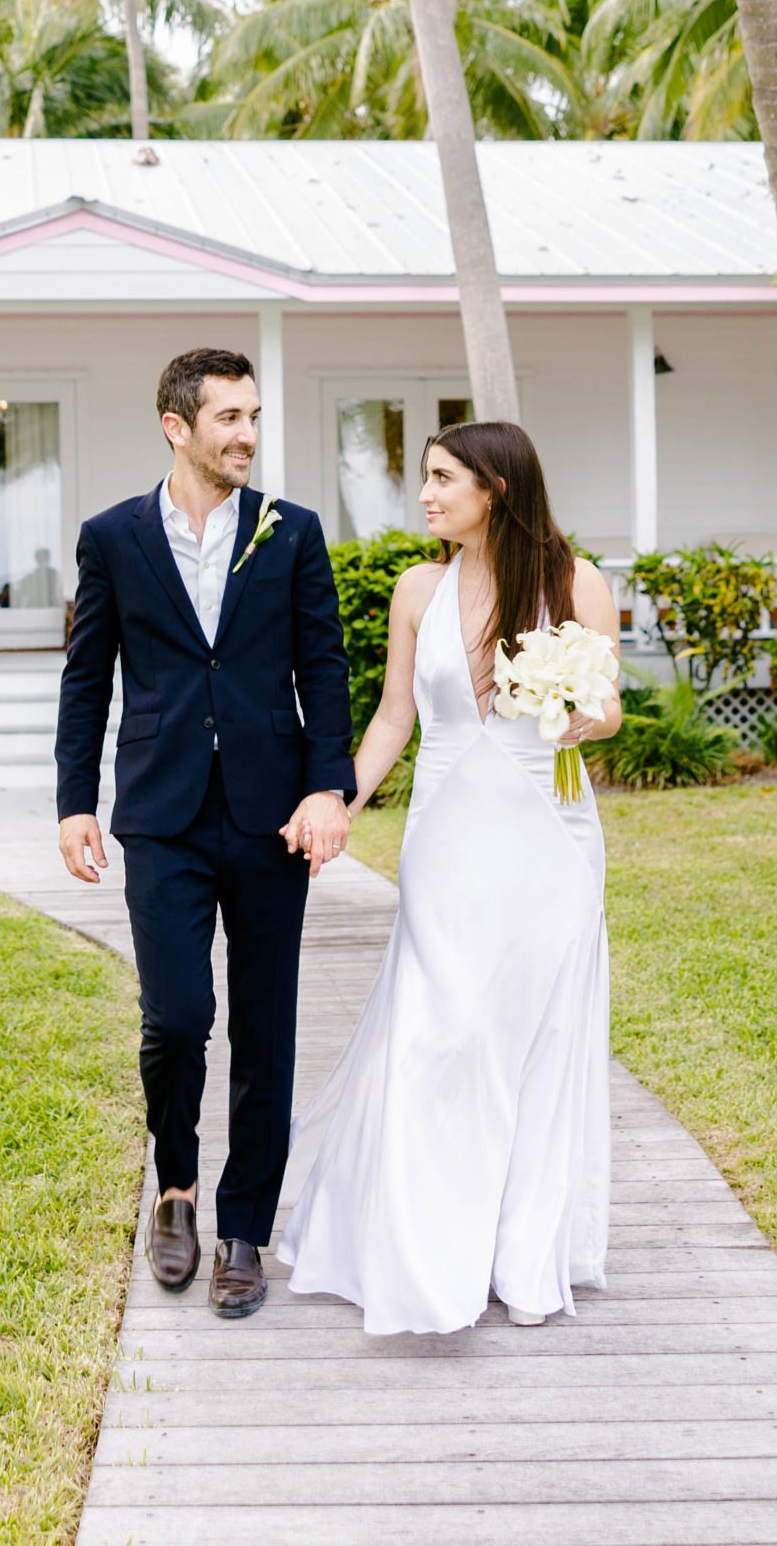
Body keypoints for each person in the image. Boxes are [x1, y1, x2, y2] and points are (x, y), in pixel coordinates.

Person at [277, 419, 621, 1337]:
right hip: (443, 837)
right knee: (443, 1029)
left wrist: (578, 715)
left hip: (546, 835)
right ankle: (426, 1254)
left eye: (441, 478)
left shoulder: (574, 582)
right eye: (424, 478)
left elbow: (609, 707)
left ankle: (522, 1251)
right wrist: (338, 802)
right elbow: (395, 718)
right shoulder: (418, 587)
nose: (424, 495)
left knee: (533, 1038)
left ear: (496, 487)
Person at [55, 346, 355, 1321]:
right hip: (163, 813)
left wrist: (329, 789)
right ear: (175, 427)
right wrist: (73, 800)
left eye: (254, 416)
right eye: (228, 417)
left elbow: (325, 668)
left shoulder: (290, 532)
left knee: (265, 1028)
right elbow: (86, 677)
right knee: (177, 1015)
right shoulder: (111, 538)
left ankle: (243, 1229)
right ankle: (174, 1188)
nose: (247, 435)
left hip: (272, 816)